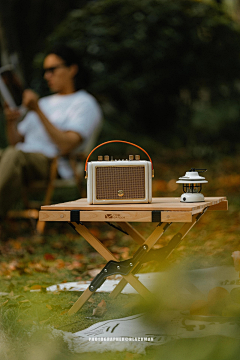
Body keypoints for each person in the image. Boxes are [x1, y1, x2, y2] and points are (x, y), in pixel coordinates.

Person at [0, 44, 102, 219]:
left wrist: (38, 111)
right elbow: (16, 142)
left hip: (52, 162)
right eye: (45, 71)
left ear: (72, 69)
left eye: (52, 69)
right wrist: (11, 122)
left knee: (13, 156)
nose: (47, 76)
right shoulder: (45, 101)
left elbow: (67, 145)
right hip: (21, 157)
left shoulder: (84, 103)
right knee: (10, 154)